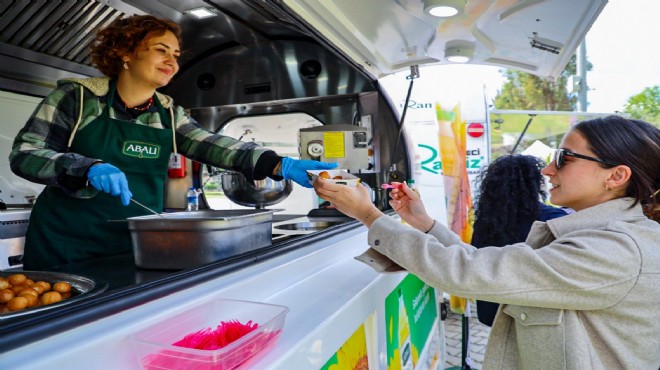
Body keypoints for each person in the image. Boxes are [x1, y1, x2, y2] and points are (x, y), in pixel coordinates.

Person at [314, 115, 660, 369]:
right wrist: (423, 222)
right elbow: (487, 266)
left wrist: (369, 215)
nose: (547, 171)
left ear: (616, 176)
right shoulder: (602, 235)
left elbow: (472, 273)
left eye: (563, 158)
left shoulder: (616, 249)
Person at [9, 15, 336, 270]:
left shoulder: (168, 114)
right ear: (125, 52)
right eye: (160, 50)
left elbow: (212, 144)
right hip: (66, 244)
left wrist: (277, 163)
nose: (172, 62)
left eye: (176, 55)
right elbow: (26, 154)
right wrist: (85, 167)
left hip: (136, 246)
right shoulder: (78, 98)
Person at [471, 154, 568, 326]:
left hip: (491, 306)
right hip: (531, 313)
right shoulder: (552, 218)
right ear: (534, 184)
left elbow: (476, 256)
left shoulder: (485, 219)